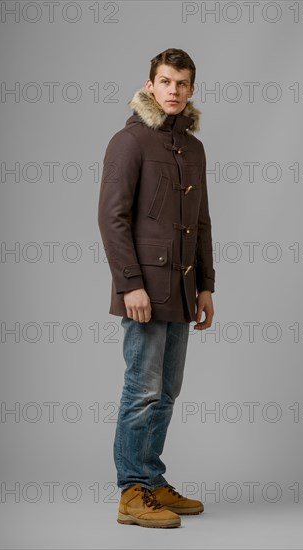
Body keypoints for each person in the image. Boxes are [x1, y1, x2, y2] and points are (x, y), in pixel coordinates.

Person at [98, 48, 215, 529]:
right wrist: (130, 285)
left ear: (190, 90)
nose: (173, 90)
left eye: (182, 83)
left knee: (166, 392)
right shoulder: (129, 142)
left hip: (183, 291)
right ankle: (132, 492)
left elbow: (202, 222)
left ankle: (152, 478)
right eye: (165, 81)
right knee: (141, 391)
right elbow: (112, 217)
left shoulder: (193, 148)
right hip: (144, 289)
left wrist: (206, 286)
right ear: (150, 85)